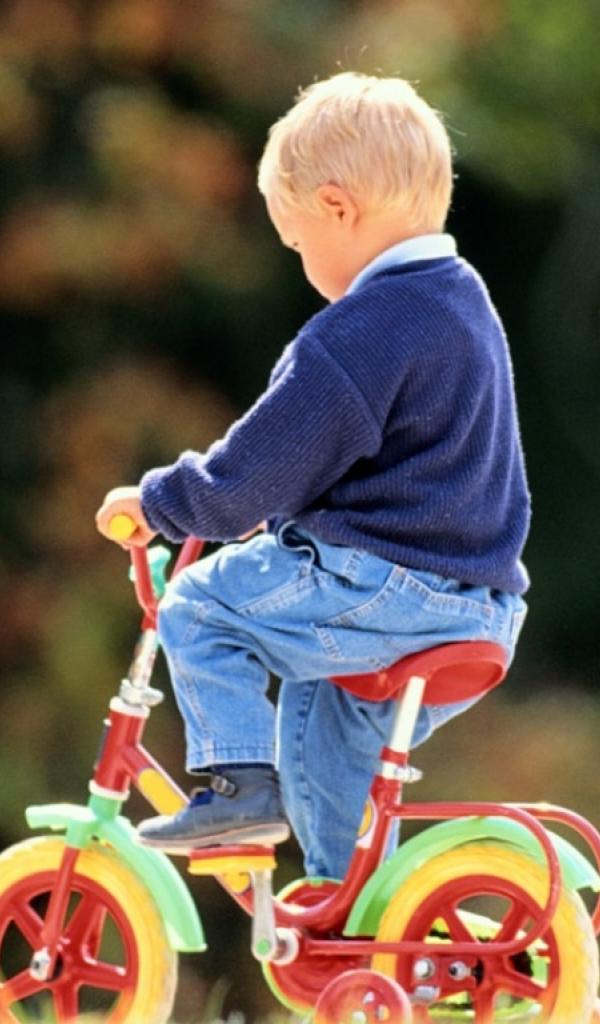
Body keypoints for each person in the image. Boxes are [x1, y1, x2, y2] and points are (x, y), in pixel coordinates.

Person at [95, 72, 530, 880]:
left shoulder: (358, 331)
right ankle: (353, 912)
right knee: (320, 730)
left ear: (336, 207)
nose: (301, 263)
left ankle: (236, 788)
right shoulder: (465, 303)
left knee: (199, 606)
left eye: (297, 244)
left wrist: (163, 503)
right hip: (480, 604)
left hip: (383, 587)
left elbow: (253, 475)